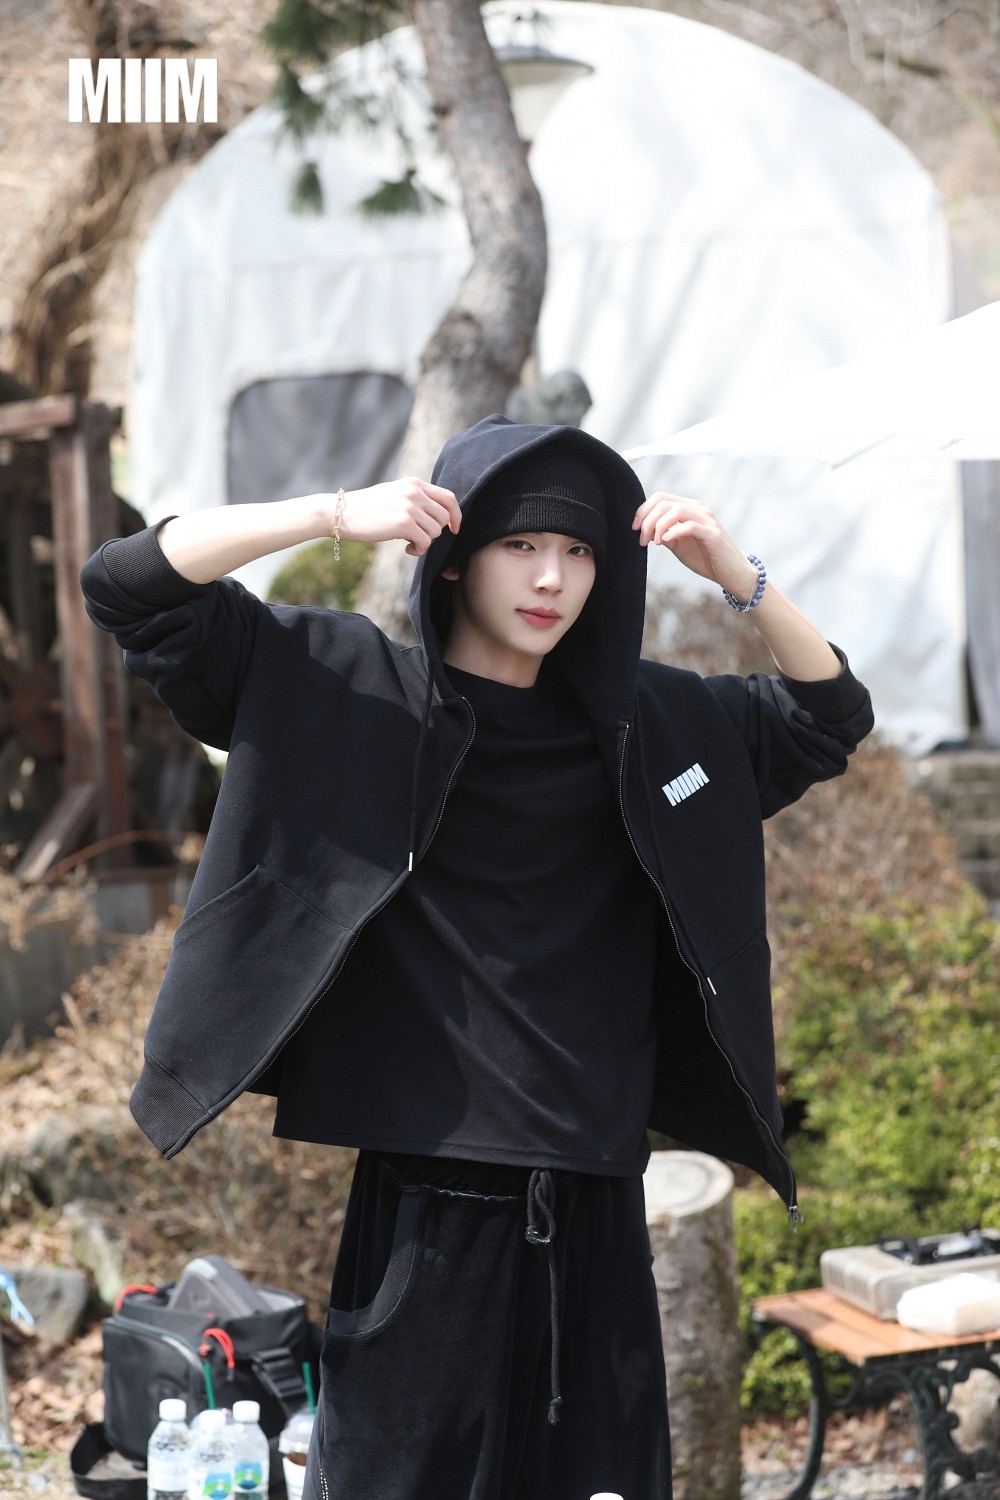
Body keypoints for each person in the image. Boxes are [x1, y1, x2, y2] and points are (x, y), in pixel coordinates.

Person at [80, 413, 874, 1500]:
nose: (552, 578)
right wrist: (333, 514)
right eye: (521, 545)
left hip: (599, 1192)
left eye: (580, 551)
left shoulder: (651, 725)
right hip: (429, 1196)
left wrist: (736, 573)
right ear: (454, 556)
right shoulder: (346, 690)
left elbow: (828, 714)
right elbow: (128, 584)